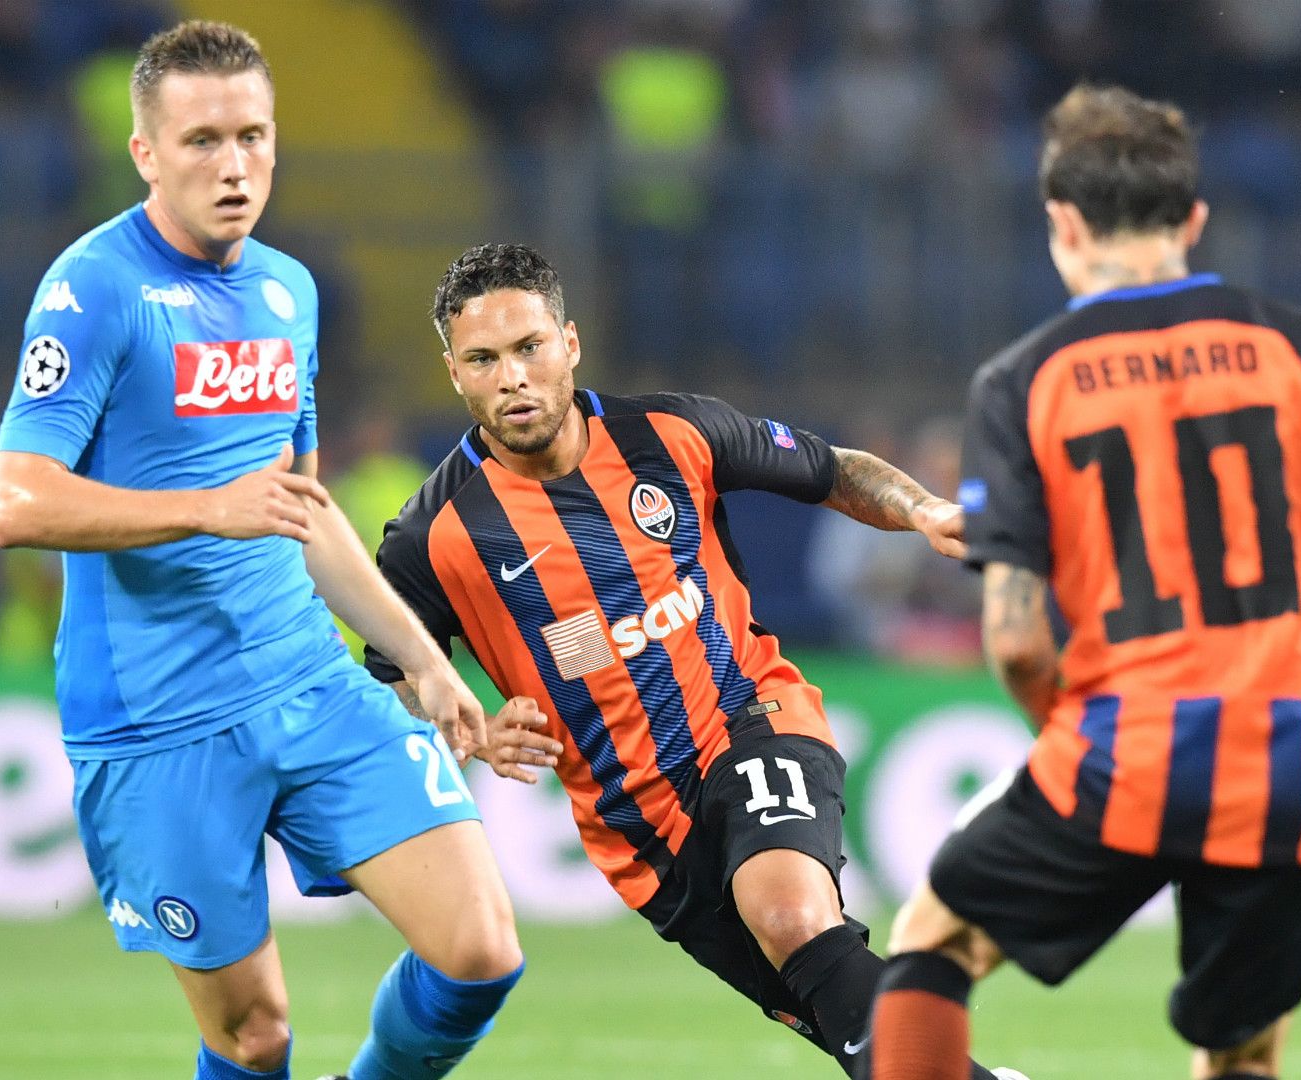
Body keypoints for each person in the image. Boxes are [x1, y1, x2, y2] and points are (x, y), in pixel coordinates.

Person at [867, 85, 1301, 1080]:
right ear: (1192, 219)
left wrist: (1073, 740)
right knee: (1240, 1052)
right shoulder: (1295, 338)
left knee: (935, 942)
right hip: (1284, 762)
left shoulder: (1025, 379)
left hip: (1124, 749)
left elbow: (1016, 638)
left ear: (1061, 222)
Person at [0, 22, 525, 1080]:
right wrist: (199, 506)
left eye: (252, 136)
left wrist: (420, 658)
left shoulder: (289, 290)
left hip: (308, 683)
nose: (233, 166)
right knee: (254, 1035)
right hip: (160, 723)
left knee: (479, 952)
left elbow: (304, 507)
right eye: (199, 142)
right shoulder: (94, 290)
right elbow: (15, 501)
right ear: (145, 152)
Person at [364, 242, 1015, 1079]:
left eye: (529, 347)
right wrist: (471, 729)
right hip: (644, 835)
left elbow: (830, 470)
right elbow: (388, 673)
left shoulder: (671, 433)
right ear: (455, 374)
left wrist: (920, 509)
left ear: (569, 343)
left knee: (790, 917)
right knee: (836, 1012)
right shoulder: (433, 537)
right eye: (484, 359)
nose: (513, 377)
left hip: (752, 720)